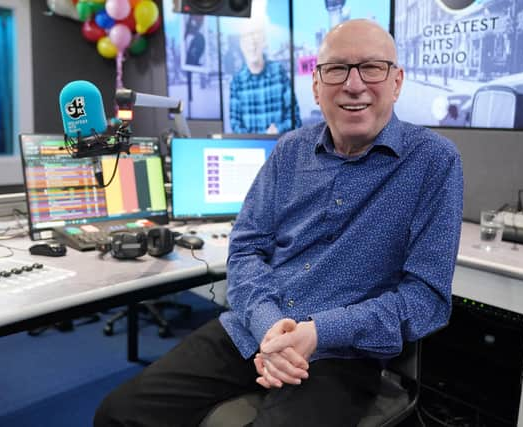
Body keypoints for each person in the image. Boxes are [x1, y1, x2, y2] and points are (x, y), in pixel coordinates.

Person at [94, 19, 463, 427]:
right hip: (251, 332)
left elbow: (426, 298)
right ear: (316, 86)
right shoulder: (290, 151)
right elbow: (247, 248)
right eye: (337, 68)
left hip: (340, 355)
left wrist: (320, 331)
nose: (354, 85)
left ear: (397, 81)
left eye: (372, 68)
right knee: (118, 414)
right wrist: (269, 326)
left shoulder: (434, 162)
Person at [229, 18, 301, 134]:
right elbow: (235, 125)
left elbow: (295, 119)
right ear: (241, 45)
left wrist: (278, 130)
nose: (252, 45)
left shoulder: (279, 72)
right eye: (247, 40)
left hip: (278, 148)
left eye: (256, 40)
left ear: (264, 42)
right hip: (250, 150)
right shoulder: (237, 81)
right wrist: (254, 141)